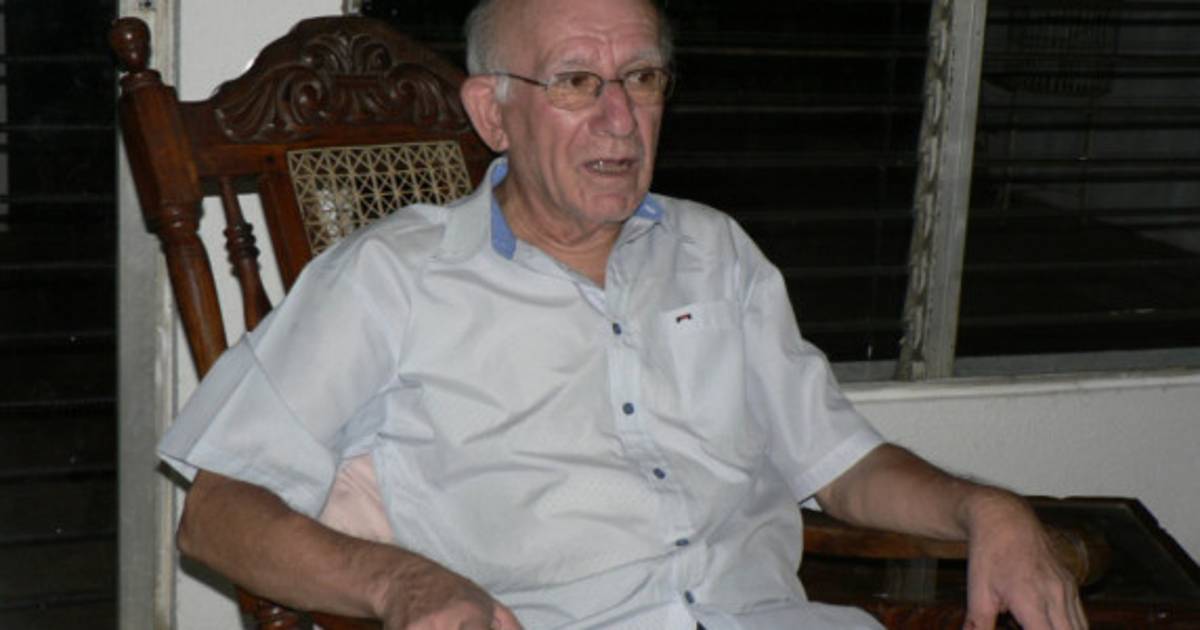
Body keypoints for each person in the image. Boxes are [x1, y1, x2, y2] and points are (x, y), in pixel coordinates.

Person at [159, 0, 1087, 628]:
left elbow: (843, 467)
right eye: (575, 82)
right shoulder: (391, 278)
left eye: (641, 78)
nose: (619, 119)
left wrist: (987, 509)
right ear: (493, 113)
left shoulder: (717, 251)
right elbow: (218, 512)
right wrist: (400, 584)